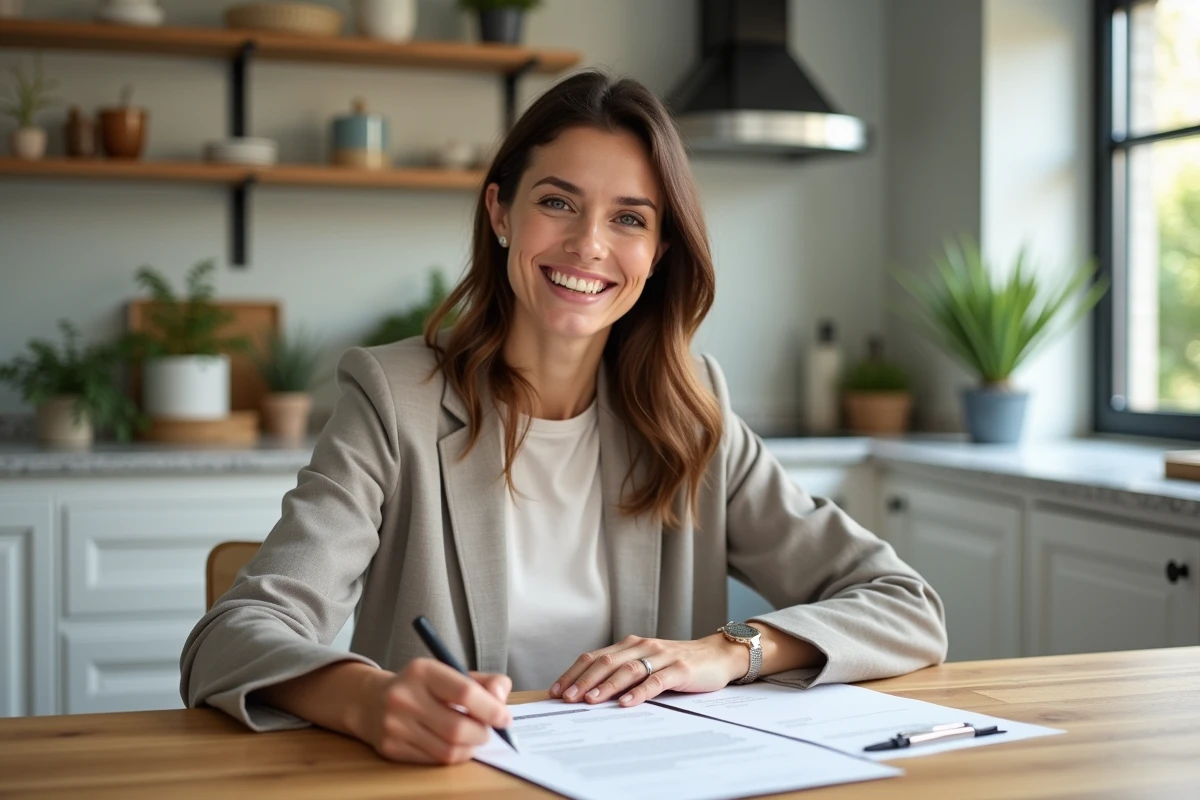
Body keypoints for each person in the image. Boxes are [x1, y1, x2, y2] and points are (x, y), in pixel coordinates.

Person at [180, 69, 947, 767]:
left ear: (658, 252)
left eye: (630, 219)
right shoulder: (393, 399)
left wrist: (730, 651)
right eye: (557, 202)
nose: (588, 245)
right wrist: (368, 700)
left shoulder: (693, 410)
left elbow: (905, 606)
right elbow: (230, 638)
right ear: (501, 212)